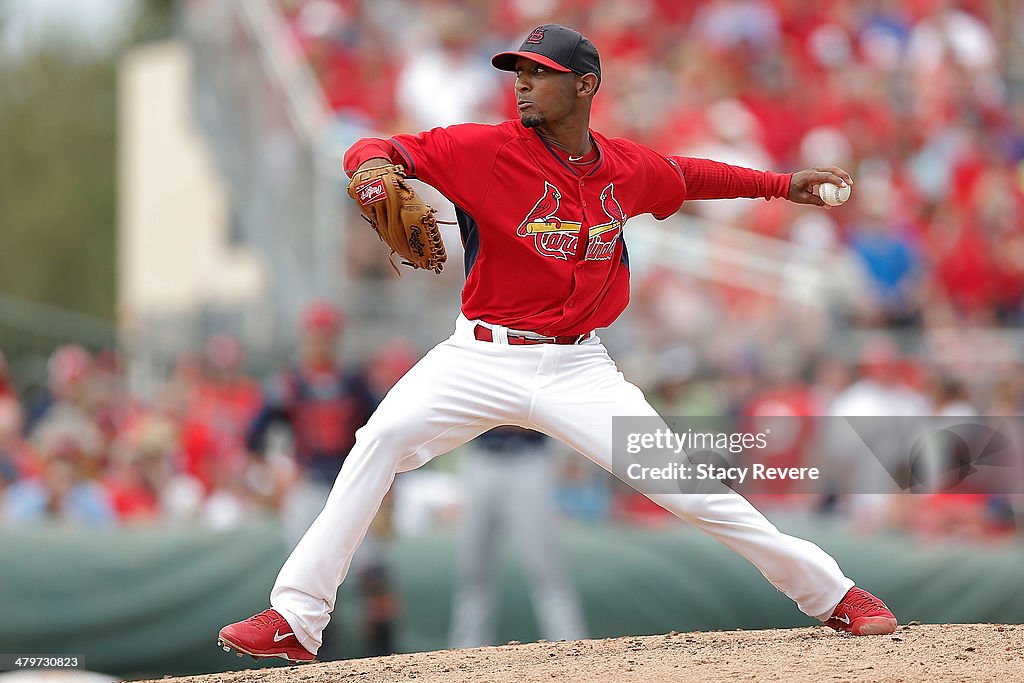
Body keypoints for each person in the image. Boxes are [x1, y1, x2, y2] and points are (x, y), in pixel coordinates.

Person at [219, 24, 896, 663]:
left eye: (539, 74)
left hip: (579, 366)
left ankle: (833, 594)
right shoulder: (484, 151)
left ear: (584, 85)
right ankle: (297, 616)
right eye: (517, 72)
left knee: (690, 487)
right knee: (380, 440)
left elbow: (688, 176)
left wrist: (781, 187)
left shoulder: (625, 168)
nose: (521, 84)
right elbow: (381, 148)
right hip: (479, 356)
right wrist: (369, 172)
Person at [449, 427, 586, 648]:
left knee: (546, 568)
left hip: (528, 460)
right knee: (472, 569)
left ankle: (571, 649)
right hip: (483, 457)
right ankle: (464, 655)